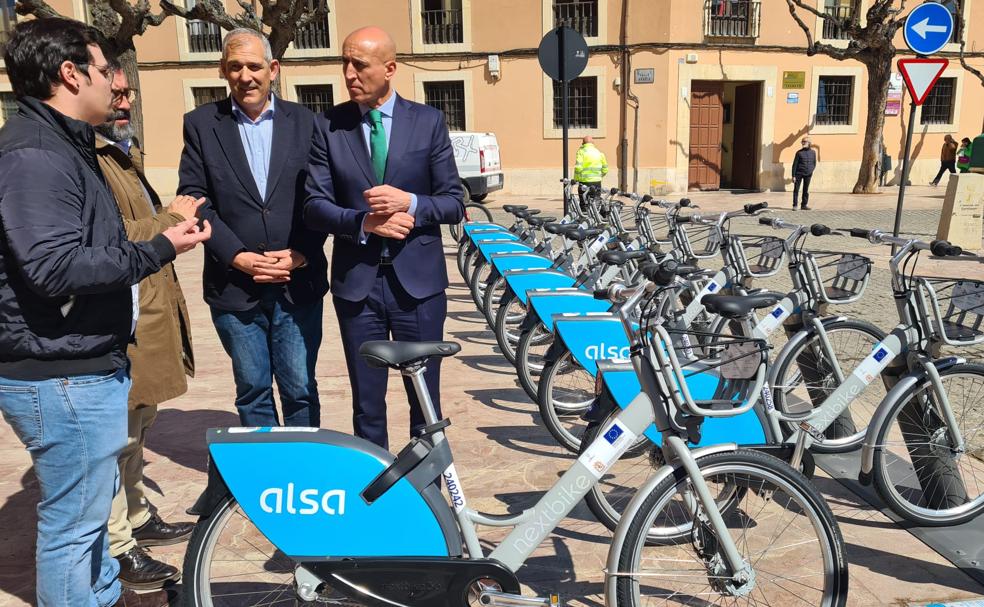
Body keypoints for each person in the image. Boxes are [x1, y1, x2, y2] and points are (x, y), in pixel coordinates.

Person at [0, 18, 210, 607]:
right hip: (59, 373)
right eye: (101, 68)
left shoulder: (61, 143)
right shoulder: (36, 154)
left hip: (78, 363)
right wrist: (161, 247)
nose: (112, 81)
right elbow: (52, 267)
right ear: (70, 74)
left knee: (90, 524)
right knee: (73, 530)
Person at [304, 26, 464, 450]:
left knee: (425, 400)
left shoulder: (428, 122)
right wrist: (363, 223)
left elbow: (453, 202)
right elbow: (313, 206)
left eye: (360, 64)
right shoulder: (328, 126)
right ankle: (376, 501)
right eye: (345, 63)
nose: (349, 73)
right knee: (367, 403)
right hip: (358, 287)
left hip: (419, 286)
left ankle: (426, 497)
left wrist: (409, 202)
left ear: (390, 68)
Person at [177, 28, 328, 428]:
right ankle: (266, 482)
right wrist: (237, 256)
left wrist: (302, 252)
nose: (246, 76)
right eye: (235, 66)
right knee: (253, 390)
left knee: (299, 388)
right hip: (235, 286)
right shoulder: (201, 124)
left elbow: (322, 196)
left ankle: (303, 481)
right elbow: (194, 197)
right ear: (223, 71)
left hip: (297, 284)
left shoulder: (307, 123)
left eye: (254, 66)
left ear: (273, 69)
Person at [95, 69, 197, 591]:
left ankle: (137, 515)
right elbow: (107, 235)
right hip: (123, 317)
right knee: (117, 436)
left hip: (149, 309)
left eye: (126, 92)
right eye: (113, 91)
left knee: (140, 425)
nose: (123, 100)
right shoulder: (87, 158)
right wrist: (168, 218)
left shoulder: (117, 151)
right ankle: (119, 545)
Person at [574, 136, 608, 210]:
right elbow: (605, 169)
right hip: (597, 182)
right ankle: (597, 219)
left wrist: (576, 180)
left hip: (584, 182)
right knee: (596, 203)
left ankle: (584, 219)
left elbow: (578, 168)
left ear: (583, 143)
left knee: (584, 204)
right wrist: (599, 176)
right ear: (593, 143)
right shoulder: (599, 153)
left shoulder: (581, 152)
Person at [791, 137, 816, 210]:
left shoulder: (813, 152)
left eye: (804, 141)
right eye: (802, 142)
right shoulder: (799, 153)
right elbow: (794, 165)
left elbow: (814, 163)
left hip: (808, 174)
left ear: (809, 143)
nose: (803, 143)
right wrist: (793, 176)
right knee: (796, 189)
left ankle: (804, 205)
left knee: (806, 190)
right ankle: (795, 205)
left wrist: (811, 170)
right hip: (798, 173)